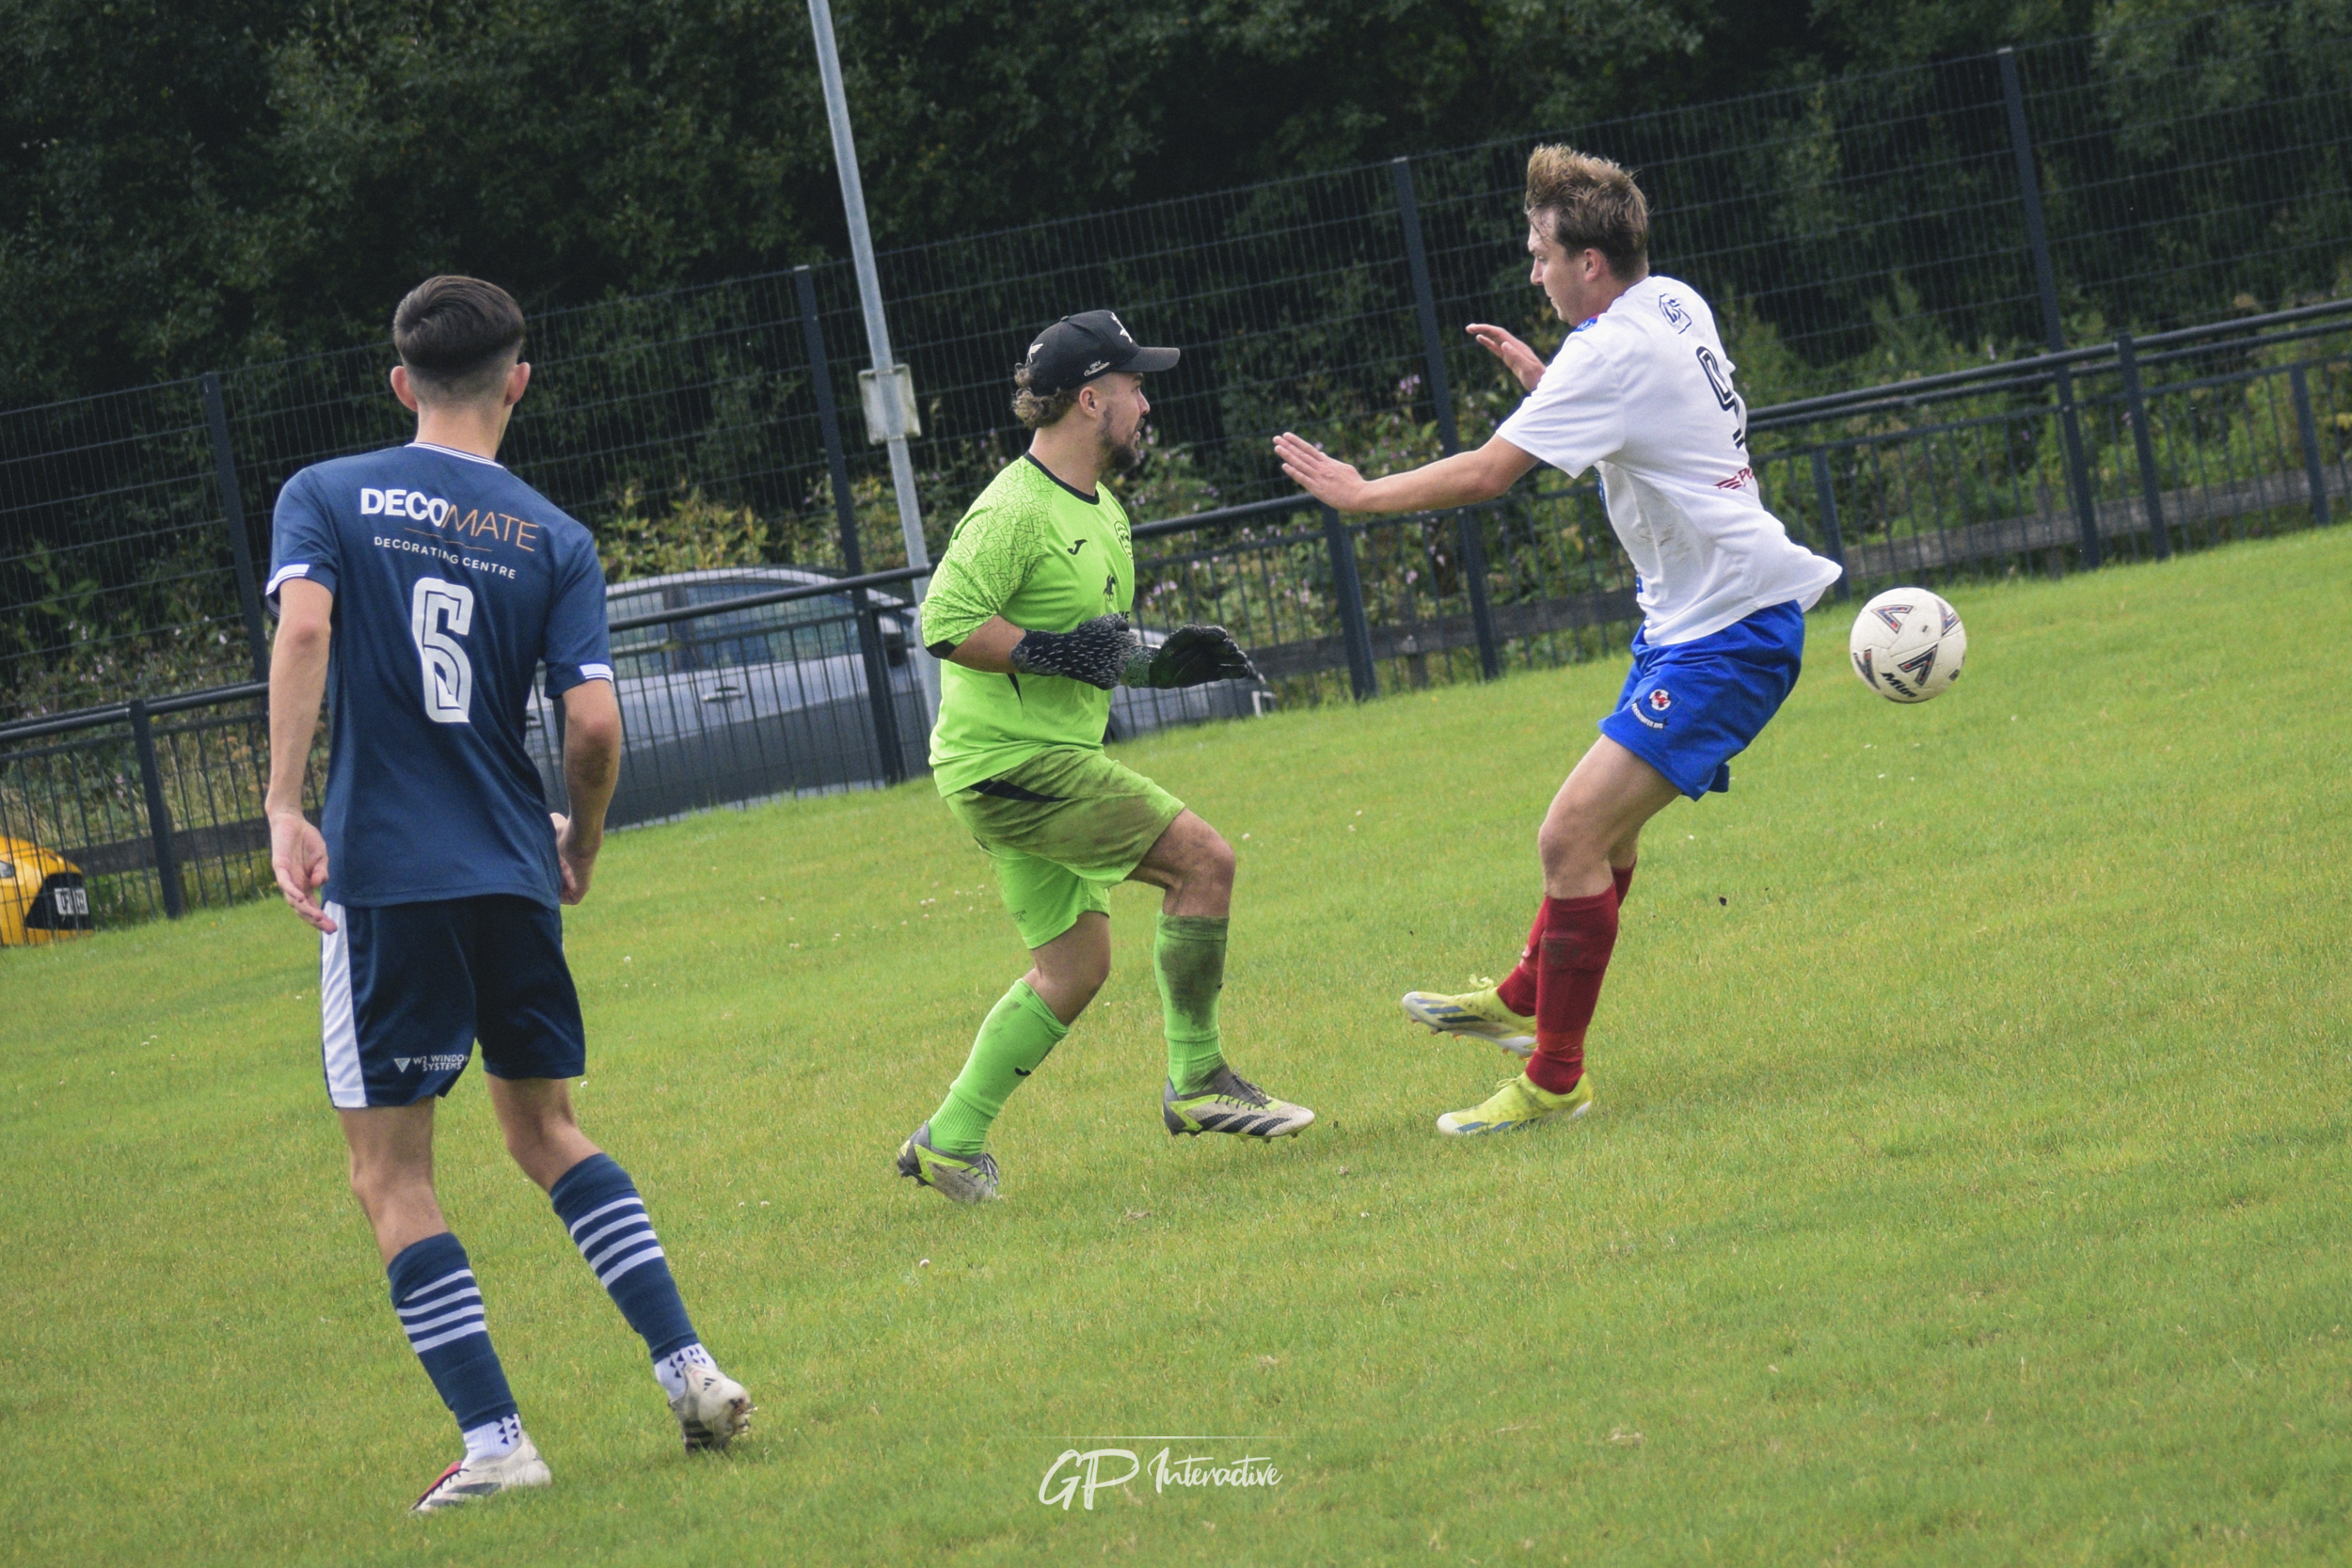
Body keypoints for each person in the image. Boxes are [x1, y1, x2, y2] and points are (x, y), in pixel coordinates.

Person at [263, 276, 751, 1513]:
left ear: (399, 383)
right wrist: (578, 842)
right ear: (518, 379)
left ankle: (498, 1439)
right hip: (510, 869)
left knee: (392, 1174)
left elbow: (305, 631)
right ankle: (690, 1366)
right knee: (546, 1131)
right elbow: (593, 720)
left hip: (389, 877)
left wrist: (281, 801)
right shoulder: (552, 533)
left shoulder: (323, 494)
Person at [1273, 148, 1841, 1136]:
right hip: (1694, 627)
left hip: (1731, 633)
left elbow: (1490, 474)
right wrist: (1549, 387)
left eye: (1539, 252)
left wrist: (1363, 494)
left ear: (1588, 261)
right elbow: (1659, 427)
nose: (1530, 271)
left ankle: (1553, 1077)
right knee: (1602, 836)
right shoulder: (1671, 302)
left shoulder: (1608, 351)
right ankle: (1528, 991)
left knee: (1567, 836)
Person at [896, 310, 1315, 1204]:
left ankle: (950, 1140)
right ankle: (1197, 1080)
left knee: (1075, 969)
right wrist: (1058, 653)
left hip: (1014, 763)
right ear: (1092, 399)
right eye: (1134, 388)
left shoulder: (1106, 513)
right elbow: (946, 623)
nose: (1146, 403)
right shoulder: (1012, 507)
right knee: (1205, 862)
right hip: (1014, 763)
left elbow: (1089, 643)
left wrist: (1158, 662)